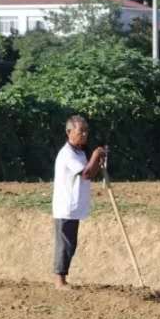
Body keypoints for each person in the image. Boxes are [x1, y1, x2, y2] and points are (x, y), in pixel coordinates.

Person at [52, 115, 105, 290]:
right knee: (65, 244)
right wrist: (95, 155)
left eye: (86, 131)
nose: (84, 134)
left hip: (75, 205)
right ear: (69, 132)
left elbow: (91, 173)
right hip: (65, 205)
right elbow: (86, 174)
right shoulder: (67, 154)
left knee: (70, 243)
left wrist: (98, 160)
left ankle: (62, 279)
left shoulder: (80, 152)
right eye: (80, 131)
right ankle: (59, 281)